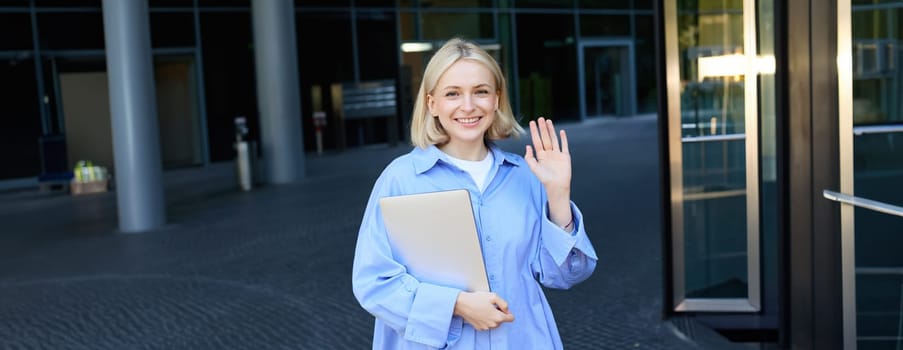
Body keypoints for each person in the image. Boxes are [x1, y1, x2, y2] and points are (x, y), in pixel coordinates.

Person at [351, 37, 597, 349]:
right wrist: (456, 304)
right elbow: (372, 283)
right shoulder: (400, 179)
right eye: (452, 93)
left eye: (480, 92)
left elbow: (564, 275)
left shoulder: (525, 175)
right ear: (432, 104)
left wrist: (558, 195)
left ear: (496, 99)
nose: (468, 106)